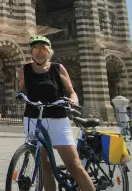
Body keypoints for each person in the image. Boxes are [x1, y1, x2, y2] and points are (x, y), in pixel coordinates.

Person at [18, 36, 95, 191]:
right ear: (31, 52)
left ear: (49, 52)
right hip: (33, 118)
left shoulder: (57, 68)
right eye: (36, 49)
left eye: (43, 49)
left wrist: (73, 101)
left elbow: (72, 92)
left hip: (57, 119)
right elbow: (22, 90)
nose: (39, 53)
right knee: (43, 164)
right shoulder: (23, 70)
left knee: (74, 165)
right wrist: (19, 95)